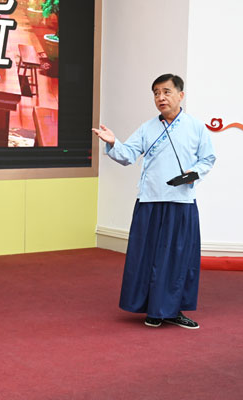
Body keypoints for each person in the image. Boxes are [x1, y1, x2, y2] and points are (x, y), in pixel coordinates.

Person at [92, 74, 216, 329]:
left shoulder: (196, 127)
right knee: (146, 257)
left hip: (181, 202)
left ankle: (173, 310)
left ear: (181, 95)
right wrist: (114, 142)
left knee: (178, 259)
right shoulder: (147, 128)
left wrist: (192, 174)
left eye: (166, 92)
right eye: (156, 93)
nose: (161, 97)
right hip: (149, 200)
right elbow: (128, 155)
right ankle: (152, 309)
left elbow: (208, 159)